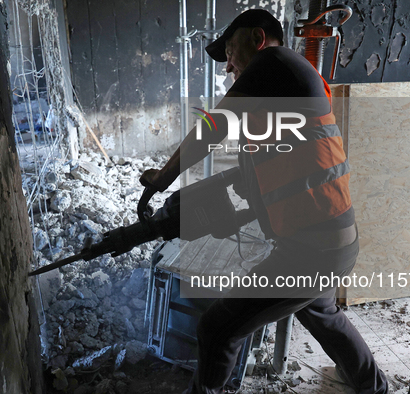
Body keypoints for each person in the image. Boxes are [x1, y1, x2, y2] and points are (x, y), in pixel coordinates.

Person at [140, 9, 388, 394]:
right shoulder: (283, 90)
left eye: (230, 52)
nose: (228, 68)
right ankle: (374, 387)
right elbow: (273, 172)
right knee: (323, 315)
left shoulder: (274, 61)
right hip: (334, 241)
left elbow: (212, 128)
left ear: (257, 38)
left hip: (312, 251)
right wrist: (227, 214)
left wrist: (161, 179)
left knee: (218, 326)